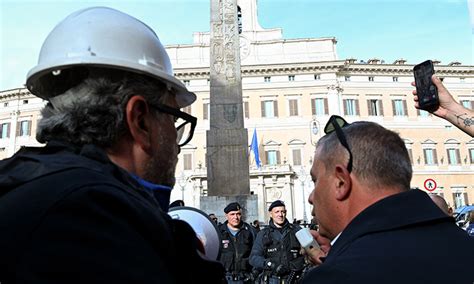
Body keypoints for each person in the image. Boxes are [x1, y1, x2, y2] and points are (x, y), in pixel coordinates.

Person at [0, 7, 225, 283]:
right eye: (174, 119)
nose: (178, 145)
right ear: (140, 120)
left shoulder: (16, 187)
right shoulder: (104, 223)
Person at [302, 115, 474, 283]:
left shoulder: (335, 276)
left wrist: (335, 265)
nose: (311, 197)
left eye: (315, 180)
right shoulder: (465, 245)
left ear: (341, 182)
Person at [250, 200, 306, 283]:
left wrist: (301, 262)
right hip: (273, 279)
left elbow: (312, 251)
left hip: (294, 279)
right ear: (271, 214)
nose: (280, 215)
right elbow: (253, 258)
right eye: (277, 212)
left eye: (282, 212)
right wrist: (271, 265)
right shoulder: (263, 234)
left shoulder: (297, 230)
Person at [218, 202, 256, 283]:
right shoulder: (218, 232)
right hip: (224, 278)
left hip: (245, 278)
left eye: (238, 214)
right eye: (232, 214)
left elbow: (256, 253)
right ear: (226, 215)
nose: (236, 217)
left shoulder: (250, 231)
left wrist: (254, 273)